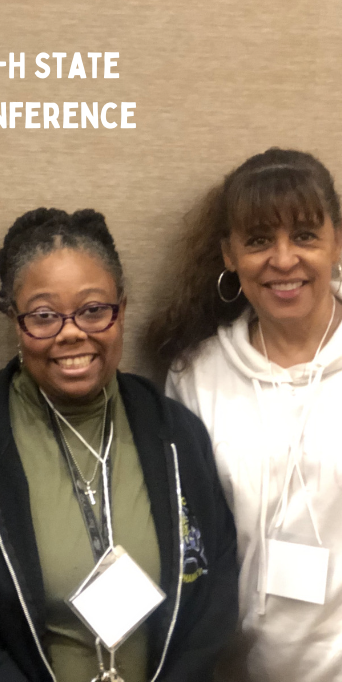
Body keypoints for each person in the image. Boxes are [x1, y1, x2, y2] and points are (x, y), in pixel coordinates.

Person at [0, 207, 238, 682]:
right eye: (43, 315)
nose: (72, 332)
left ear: (122, 306)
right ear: (14, 321)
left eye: (94, 309)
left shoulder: (175, 433)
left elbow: (216, 585)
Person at [149, 148, 342, 681]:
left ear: (337, 241)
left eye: (305, 235)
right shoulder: (196, 378)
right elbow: (192, 545)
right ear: (229, 255)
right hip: (245, 669)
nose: (283, 260)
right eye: (259, 240)